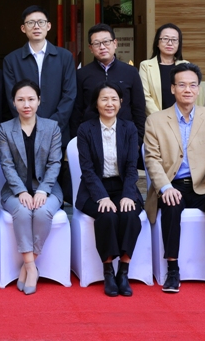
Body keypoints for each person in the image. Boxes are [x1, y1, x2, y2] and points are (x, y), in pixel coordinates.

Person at [143, 62, 205, 294]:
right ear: (173, 88)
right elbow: (152, 159)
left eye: (193, 85)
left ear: (198, 89)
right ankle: (172, 270)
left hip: (203, 185)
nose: (188, 90)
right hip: (172, 184)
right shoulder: (155, 120)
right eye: (182, 85)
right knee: (171, 205)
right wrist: (164, 187)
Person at [75, 81, 143, 297]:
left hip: (123, 186)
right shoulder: (85, 129)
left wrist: (128, 195)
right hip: (94, 188)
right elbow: (87, 170)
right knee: (107, 215)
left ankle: (123, 270)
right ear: (96, 103)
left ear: (121, 102)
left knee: (130, 215)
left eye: (114, 99)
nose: (109, 103)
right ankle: (108, 271)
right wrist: (101, 197)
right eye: (104, 99)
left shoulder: (129, 128)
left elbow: (132, 167)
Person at [2, 5, 77, 200]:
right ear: (23, 28)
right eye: (31, 23)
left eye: (41, 22)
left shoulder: (64, 57)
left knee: (53, 189)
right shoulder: (12, 60)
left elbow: (69, 95)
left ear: (49, 26)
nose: (36, 26)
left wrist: (51, 128)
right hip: (23, 133)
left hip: (57, 132)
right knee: (24, 186)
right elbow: (12, 97)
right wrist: (30, 126)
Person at [0, 79, 63, 295]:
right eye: (21, 100)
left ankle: (27, 266)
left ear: (39, 101)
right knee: (23, 211)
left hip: (48, 188)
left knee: (43, 212)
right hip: (15, 190)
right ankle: (32, 268)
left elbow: (55, 163)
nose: (26, 104)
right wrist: (21, 191)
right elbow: (6, 164)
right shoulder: (5, 129)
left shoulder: (52, 127)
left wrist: (43, 190)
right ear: (14, 102)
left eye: (31, 99)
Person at [71, 24, 147, 142]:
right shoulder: (81, 74)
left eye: (106, 42)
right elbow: (77, 111)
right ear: (90, 48)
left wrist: (138, 139)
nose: (102, 47)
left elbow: (139, 109)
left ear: (115, 43)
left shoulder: (131, 72)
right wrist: (77, 138)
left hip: (125, 136)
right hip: (91, 137)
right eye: (97, 43)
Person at [139, 23, 190, 116]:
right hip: (157, 119)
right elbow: (145, 96)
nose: (170, 43)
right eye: (165, 39)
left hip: (182, 118)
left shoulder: (186, 66)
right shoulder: (145, 66)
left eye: (174, 40)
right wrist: (162, 118)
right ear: (157, 42)